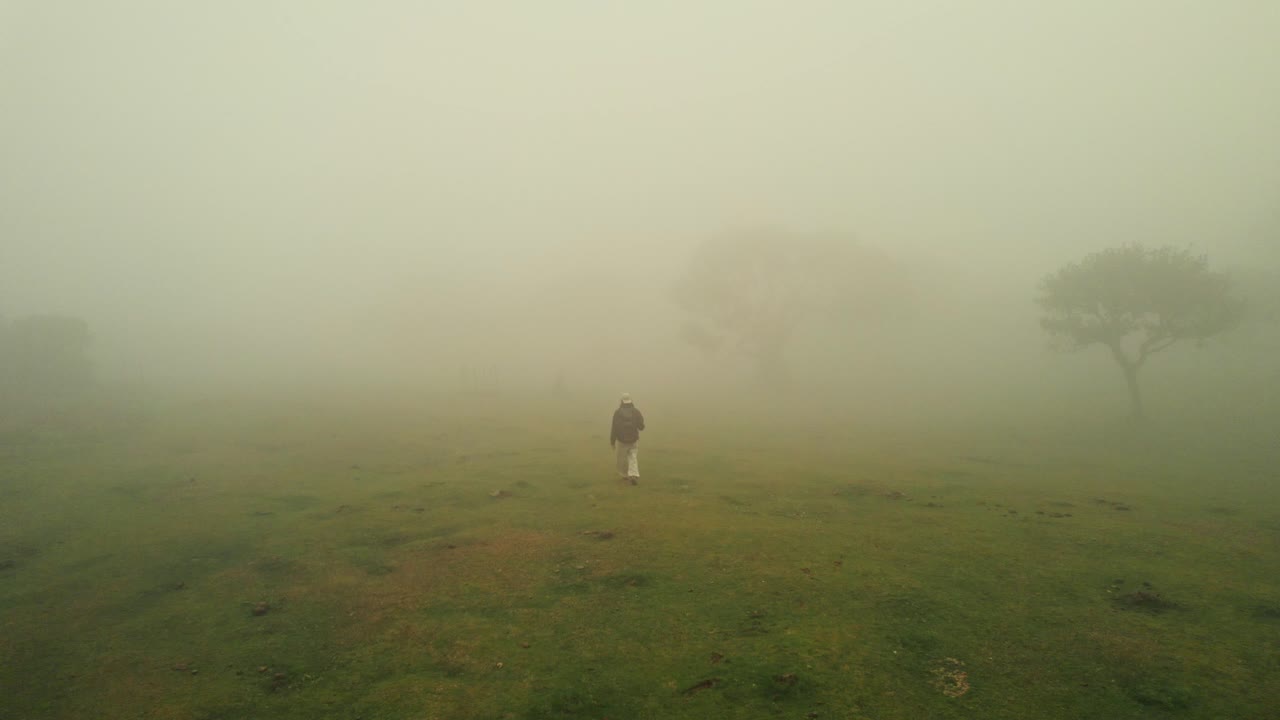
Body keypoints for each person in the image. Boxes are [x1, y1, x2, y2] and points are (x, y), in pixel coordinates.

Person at [610, 393, 645, 484]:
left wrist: (612, 441)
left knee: (622, 458)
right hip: (634, 439)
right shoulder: (636, 411)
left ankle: (625, 475)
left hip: (621, 440)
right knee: (633, 457)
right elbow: (641, 427)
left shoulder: (617, 413)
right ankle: (633, 474)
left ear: (621, 401)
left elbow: (614, 428)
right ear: (631, 401)